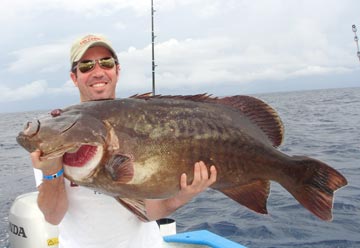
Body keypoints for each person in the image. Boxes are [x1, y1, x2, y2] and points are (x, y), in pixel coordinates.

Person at [30, 34, 217, 248]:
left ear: (117, 71)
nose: (98, 72)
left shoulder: (143, 123)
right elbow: (53, 216)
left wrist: (181, 197)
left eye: (107, 63)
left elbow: (148, 213)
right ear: (74, 77)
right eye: (86, 66)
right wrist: (52, 171)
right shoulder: (57, 132)